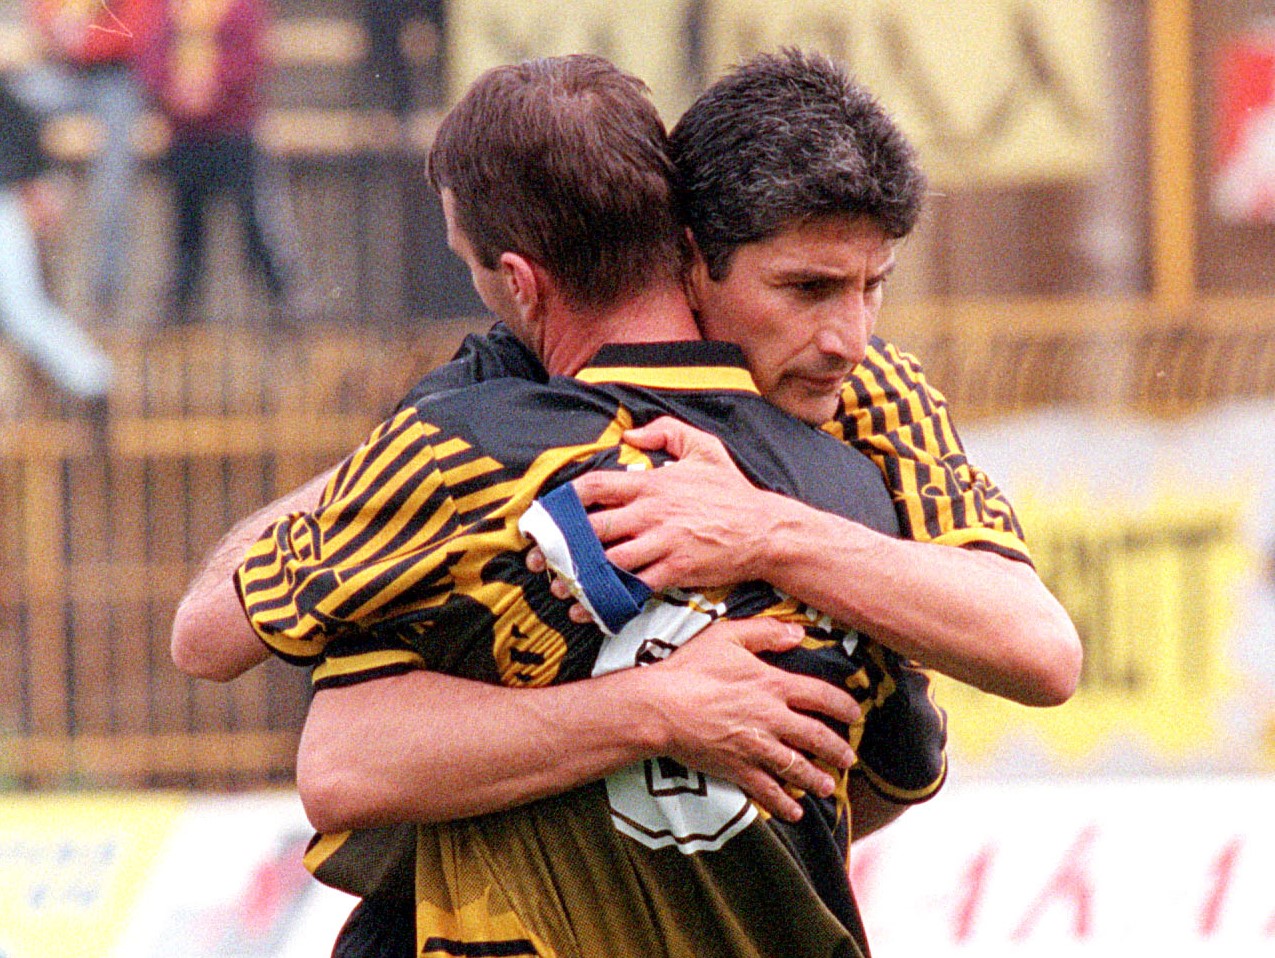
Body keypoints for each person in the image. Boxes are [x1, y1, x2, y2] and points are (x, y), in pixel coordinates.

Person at [231, 53, 1076, 958]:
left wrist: (764, 532)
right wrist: (652, 712)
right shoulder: (493, 401)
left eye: (875, 286)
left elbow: (1038, 654)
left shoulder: (863, 408)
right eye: (805, 288)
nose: (847, 338)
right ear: (686, 256)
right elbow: (240, 663)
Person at [135, 0, 306, 326]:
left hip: (233, 131)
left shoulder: (242, 6)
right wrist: (173, 89)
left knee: (256, 222)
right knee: (187, 229)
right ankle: (180, 310)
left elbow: (252, 56)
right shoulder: (165, 7)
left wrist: (211, 86)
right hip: (183, 134)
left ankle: (284, 297)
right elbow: (149, 53)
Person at [19, 0, 152, 318]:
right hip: (64, 73)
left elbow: (138, 31)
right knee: (14, 103)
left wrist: (85, 41)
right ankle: (30, 283)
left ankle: (105, 296)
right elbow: (42, 14)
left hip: (117, 79)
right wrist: (58, 31)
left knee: (112, 191)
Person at [0, 74, 113, 399]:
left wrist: (33, 183)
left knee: (23, 308)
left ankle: (92, 381)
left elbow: (21, 129)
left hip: (5, 200)